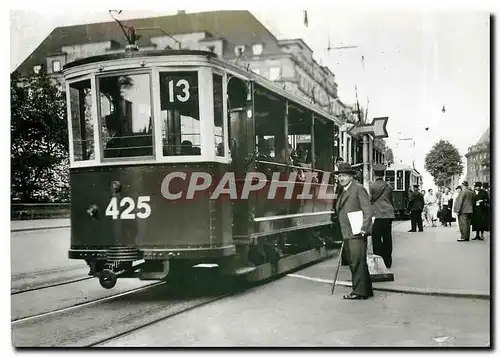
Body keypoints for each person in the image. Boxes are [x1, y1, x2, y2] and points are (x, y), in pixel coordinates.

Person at [335, 163, 373, 300]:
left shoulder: (358, 189)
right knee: (357, 262)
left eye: (344, 175)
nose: (341, 178)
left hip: (356, 232)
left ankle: (359, 291)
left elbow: (368, 211)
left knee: (357, 262)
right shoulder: (344, 190)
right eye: (339, 176)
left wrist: (363, 229)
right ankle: (365, 290)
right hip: (348, 232)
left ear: (351, 176)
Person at [369, 164, 395, 268]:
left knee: (376, 237)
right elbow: (391, 200)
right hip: (388, 214)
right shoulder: (388, 186)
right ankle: (388, 261)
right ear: (383, 174)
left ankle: (379, 259)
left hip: (377, 214)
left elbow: (370, 199)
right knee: (387, 237)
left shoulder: (371, 186)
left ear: (374, 174)